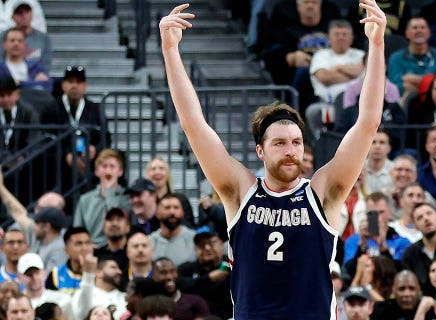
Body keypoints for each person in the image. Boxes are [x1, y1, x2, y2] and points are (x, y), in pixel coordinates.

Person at [159, 1, 387, 318]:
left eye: (295, 142)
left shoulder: (322, 191)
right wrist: (170, 52)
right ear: (260, 151)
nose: (290, 149)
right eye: (279, 143)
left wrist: (376, 46)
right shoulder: (240, 190)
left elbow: (367, 123)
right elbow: (193, 125)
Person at [40, 65, 110, 189]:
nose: (74, 86)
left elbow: (106, 138)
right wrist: (66, 155)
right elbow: (46, 139)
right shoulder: (50, 109)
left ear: (85, 86)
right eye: (70, 82)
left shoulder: (95, 109)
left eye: (79, 82)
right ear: (63, 85)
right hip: (58, 167)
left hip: (89, 164)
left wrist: (94, 149)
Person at [73, 148, 131, 246]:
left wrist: (110, 192)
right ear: (97, 171)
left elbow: (116, 219)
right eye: (104, 166)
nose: (108, 171)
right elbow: (78, 230)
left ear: (120, 171)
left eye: (112, 167)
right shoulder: (85, 200)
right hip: (92, 249)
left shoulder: (126, 198)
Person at [387, 16, 436, 97]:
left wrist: (411, 79)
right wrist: (432, 82)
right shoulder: (396, 58)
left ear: (429, 33)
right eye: (415, 28)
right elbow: (394, 86)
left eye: (422, 27)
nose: (419, 30)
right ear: (407, 33)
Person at [178, 229, 232, 320]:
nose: (207, 248)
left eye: (211, 243)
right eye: (201, 245)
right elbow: (180, 285)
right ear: (195, 249)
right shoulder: (187, 268)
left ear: (221, 244)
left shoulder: (232, 264)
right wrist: (208, 278)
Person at [16, 253, 72, 319]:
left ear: (44, 273)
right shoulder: (16, 304)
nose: (34, 277)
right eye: (29, 274)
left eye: (37, 273)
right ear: (19, 277)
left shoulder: (62, 300)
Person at [149, 193, 196, 266]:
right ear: (157, 213)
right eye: (167, 208)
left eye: (176, 208)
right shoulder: (149, 242)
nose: (172, 212)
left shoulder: (194, 240)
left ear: (183, 213)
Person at [1, 3, 52, 69]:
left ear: (32, 15)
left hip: (36, 76)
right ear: (13, 17)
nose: (24, 16)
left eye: (27, 12)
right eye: (19, 13)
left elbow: (46, 63)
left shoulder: (44, 38)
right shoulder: (3, 36)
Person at [0, 27, 51, 91]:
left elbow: (48, 87)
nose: (16, 44)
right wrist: (33, 83)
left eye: (20, 41)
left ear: (25, 45)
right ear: (4, 45)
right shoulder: (1, 68)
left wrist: (19, 83)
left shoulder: (36, 67)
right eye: (12, 40)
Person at [46, 227, 93, 295]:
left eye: (88, 243)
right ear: (67, 250)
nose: (85, 248)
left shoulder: (101, 273)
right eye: (78, 244)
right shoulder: (56, 274)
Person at [93, 207, 130, 282]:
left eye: (119, 219)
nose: (114, 223)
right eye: (110, 220)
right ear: (103, 228)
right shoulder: (96, 255)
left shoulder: (133, 253)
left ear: (128, 227)